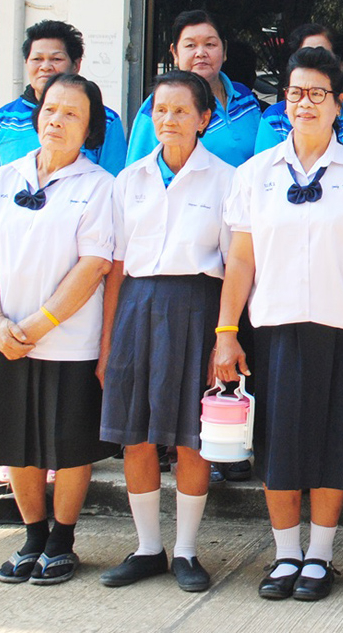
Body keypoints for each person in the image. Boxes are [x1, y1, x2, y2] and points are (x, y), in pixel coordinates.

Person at [213, 46, 343, 602]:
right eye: (295, 94)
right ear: (283, 102)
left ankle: (320, 557)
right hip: (274, 330)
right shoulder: (254, 174)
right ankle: (286, 554)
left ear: (339, 104)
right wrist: (226, 333)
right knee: (281, 447)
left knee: (334, 446)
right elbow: (240, 260)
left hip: (341, 331)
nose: (305, 104)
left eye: (318, 94)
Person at [97, 71, 234, 593]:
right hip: (137, 307)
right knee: (137, 435)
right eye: (159, 111)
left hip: (197, 307)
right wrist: (108, 342)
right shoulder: (128, 180)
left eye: (180, 111)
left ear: (203, 119)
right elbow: (114, 266)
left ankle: (186, 551)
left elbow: (235, 264)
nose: (168, 120)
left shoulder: (226, 179)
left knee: (191, 439)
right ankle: (148, 546)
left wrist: (226, 333)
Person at [0, 73, 117, 585]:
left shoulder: (98, 186)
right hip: (5, 336)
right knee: (16, 443)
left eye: (72, 114)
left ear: (89, 129)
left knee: (68, 443)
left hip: (67, 339)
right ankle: (32, 535)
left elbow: (94, 265)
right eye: (50, 110)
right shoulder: (2, 179)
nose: (57, 120)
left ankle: (63, 539)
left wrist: (38, 325)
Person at [0, 20, 127, 177]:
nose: (45, 66)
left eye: (56, 59)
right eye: (37, 59)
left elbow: (115, 184)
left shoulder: (103, 119)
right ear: (26, 62)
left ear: (76, 65)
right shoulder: (0, 122)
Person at [127, 10, 261, 168]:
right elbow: (137, 173)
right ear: (175, 53)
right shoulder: (159, 107)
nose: (201, 53)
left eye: (210, 44)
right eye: (190, 45)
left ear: (224, 50)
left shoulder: (245, 98)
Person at [255, 24, 343, 152]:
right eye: (305, 56)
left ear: (340, 65)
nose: (314, 65)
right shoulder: (274, 119)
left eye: (323, 57)